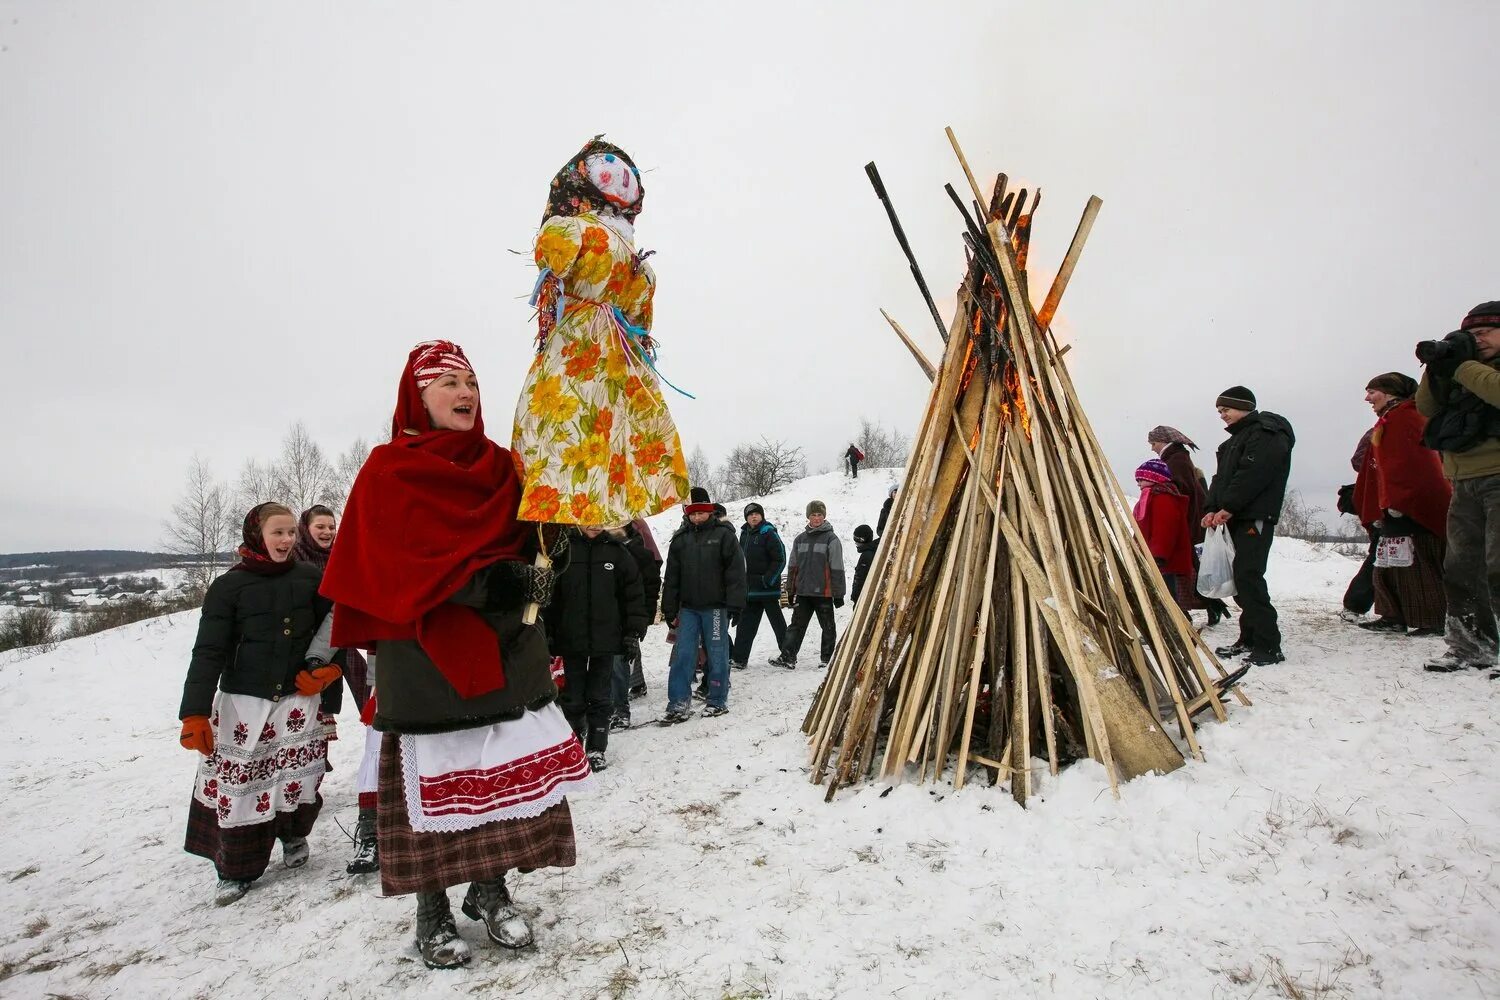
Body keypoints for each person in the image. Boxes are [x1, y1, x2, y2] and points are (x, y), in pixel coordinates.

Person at [321, 341, 591, 969]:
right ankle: (432, 908)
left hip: (505, 652)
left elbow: (533, 542)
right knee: (435, 792)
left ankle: (490, 891)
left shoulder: (505, 465)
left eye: (469, 379)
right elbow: (390, 566)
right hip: (427, 660)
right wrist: (487, 583)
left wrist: (550, 558)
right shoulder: (389, 469)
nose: (464, 391)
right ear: (416, 397)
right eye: (446, 381)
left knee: (496, 786)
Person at [512, 136, 689, 530]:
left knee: (616, 427)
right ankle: (561, 505)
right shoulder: (573, 229)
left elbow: (640, 308)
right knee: (571, 417)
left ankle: (605, 510)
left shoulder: (630, 248)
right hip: (580, 339)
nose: (621, 176)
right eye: (606, 164)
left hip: (620, 351)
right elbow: (552, 257)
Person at [179, 502, 339, 906]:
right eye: (277, 533)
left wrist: (327, 675)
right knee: (241, 784)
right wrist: (194, 711)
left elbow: (334, 626)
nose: (286, 541)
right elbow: (208, 651)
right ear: (257, 535)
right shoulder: (229, 586)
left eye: (290, 533)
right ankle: (235, 868)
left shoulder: (310, 577)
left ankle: (294, 835)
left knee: (295, 777)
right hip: (244, 705)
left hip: (298, 700)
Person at [291, 503, 378, 872]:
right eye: (320, 526)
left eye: (331, 526)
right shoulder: (366, 561)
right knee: (377, 747)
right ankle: (371, 833)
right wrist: (316, 658)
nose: (327, 532)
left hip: (436, 671)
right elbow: (340, 609)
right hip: (386, 669)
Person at [1414, 302, 1500, 673]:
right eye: (1471, 334)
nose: (1477, 340)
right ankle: (1471, 647)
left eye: (1485, 333)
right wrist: (1437, 368)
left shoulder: (1473, 370)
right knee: (1460, 568)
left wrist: (1462, 366)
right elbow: (1426, 407)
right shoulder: (1459, 372)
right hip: (1464, 480)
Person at [1201, 386, 1296, 667]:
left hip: (1254, 515)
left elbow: (1254, 474)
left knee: (1249, 576)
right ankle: (1250, 637)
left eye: (1225, 409)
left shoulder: (1267, 432)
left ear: (1244, 406)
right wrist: (1211, 508)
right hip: (1236, 516)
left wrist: (1229, 506)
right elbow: (1221, 479)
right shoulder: (1233, 441)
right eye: (1219, 411)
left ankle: (1269, 644)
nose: (1222, 415)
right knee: (1241, 580)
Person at [1350, 373, 1450, 638]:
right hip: (1392, 504)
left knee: (1418, 563)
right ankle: (1393, 615)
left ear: (1390, 391)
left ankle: (1430, 619)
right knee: (1388, 562)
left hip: (1412, 504)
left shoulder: (1407, 417)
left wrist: (1400, 499)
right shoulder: (1388, 420)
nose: (1367, 398)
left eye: (1372, 391)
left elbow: (1415, 465)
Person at [547, 524, 646, 771]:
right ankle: (574, 744)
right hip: (572, 638)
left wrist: (633, 633)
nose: (593, 524)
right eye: (587, 518)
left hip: (607, 638)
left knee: (600, 695)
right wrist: (548, 634)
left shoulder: (617, 552)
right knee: (573, 696)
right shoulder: (563, 550)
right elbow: (551, 597)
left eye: (598, 518)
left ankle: (596, 748)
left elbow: (633, 595)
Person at [660, 487, 746, 723]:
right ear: (687, 514)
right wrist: (669, 607)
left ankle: (717, 699)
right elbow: (672, 577)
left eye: (701, 513)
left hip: (716, 608)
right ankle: (678, 702)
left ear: (709, 511)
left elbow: (736, 572)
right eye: (692, 514)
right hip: (688, 609)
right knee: (683, 655)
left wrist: (735, 604)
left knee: (717, 654)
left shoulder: (724, 536)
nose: (697, 517)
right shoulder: (680, 539)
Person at [1146, 426, 1221, 622]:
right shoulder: (1175, 458)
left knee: (1188, 570)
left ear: (1163, 441)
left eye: (1153, 443)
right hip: (1185, 521)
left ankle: (1206, 606)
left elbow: (1182, 491)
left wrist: (1162, 490)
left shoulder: (1176, 460)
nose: (1152, 448)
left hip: (1185, 523)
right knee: (1190, 569)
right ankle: (1211, 606)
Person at [771, 501, 846, 669]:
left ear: (824, 516)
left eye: (820, 515)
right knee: (796, 626)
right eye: (813, 515)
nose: (817, 518)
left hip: (823, 593)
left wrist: (838, 593)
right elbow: (793, 567)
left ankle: (826, 659)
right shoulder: (800, 539)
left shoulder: (832, 540)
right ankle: (788, 657)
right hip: (804, 592)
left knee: (827, 626)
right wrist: (790, 590)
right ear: (808, 517)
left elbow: (837, 568)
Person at [610, 519, 660, 729]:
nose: (611, 527)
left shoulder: (639, 551)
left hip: (627, 617)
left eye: (615, 524)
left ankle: (620, 709)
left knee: (619, 663)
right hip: (603, 618)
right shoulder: (598, 550)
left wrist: (644, 619)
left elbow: (649, 586)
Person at [731, 502, 789, 668]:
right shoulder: (744, 534)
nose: (754, 517)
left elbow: (780, 558)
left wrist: (767, 580)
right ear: (746, 518)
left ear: (762, 516)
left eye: (757, 514)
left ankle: (788, 655)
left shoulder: (768, 533)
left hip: (767, 590)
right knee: (745, 625)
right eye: (750, 515)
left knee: (778, 625)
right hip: (750, 590)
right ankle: (740, 659)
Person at [1133, 459, 1193, 599]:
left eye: (1141, 479)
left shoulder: (1163, 498)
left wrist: (1159, 555)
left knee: (1166, 595)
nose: (1138, 484)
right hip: (1154, 555)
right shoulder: (1152, 497)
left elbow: (1165, 529)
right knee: (1162, 593)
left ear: (1153, 477)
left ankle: (1177, 620)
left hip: (1162, 559)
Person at [1338, 429, 1379, 620]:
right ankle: (1355, 605)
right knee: (1381, 554)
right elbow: (1358, 460)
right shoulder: (1381, 429)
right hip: (1381, 500)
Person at [850, 524, 877, 604]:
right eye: (855, 539)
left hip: (863, 598)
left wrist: (855, 597)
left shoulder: (867, 555)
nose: (856, 543)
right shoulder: (873, 550)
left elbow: (860, 579)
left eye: (859, 540)